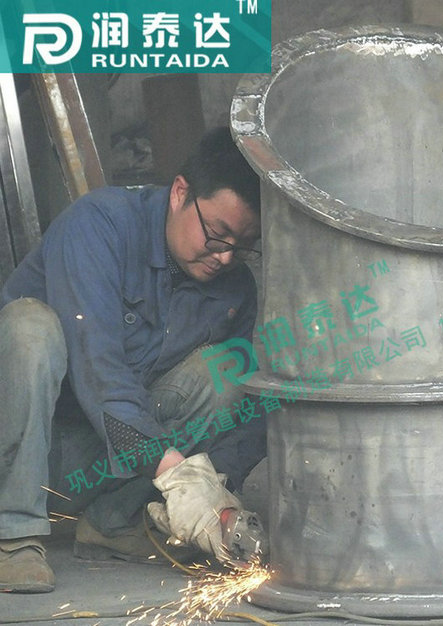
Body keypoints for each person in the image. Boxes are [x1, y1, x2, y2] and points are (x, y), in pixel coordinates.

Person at [0, 126, 267, 593]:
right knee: (29, 326)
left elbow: (246, 412)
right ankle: (13, 536)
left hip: (93, 465)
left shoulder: (234, 288)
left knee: (229, 372)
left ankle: (114, 522)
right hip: (19, 450)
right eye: (217, 235)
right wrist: (174, 472)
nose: (225, 258)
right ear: (180, 193)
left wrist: (214, 495)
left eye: (241, 246)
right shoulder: (99, 225)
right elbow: (100, 370)